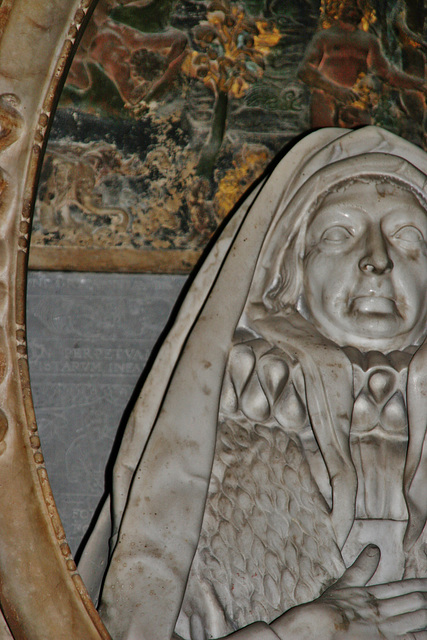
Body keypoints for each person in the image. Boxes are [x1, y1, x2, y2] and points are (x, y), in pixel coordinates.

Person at [79, 126, 427, 639]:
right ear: (287, 273)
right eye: (338, 234)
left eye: (409, 237)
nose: (378, 258)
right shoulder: (206, 452)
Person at [298, 0, 427, 128]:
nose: (354, 9)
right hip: (326, 99)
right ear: (336, 9)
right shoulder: (324, 37)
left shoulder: (369, 41)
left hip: (356, 102)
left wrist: (419, 84)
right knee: (325, 141)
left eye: (357, 7)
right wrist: (336, 90)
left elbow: (387, 74)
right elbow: (305, 71)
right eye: (348, 6)